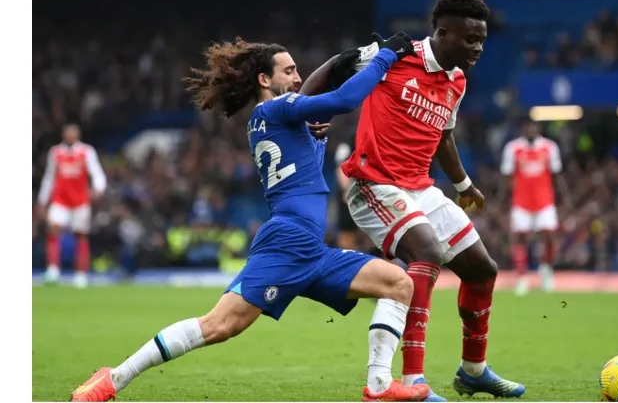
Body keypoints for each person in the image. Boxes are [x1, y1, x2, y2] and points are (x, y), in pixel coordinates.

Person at [70, 34, 431, 402]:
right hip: (288, 242)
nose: (295, 77)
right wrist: (385, 57)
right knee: (220, 325)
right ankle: (112, 379)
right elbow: (344, 99)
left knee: (398, 284)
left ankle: (380, 386)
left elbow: (322, 88)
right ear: (263, 79)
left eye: (297, 71)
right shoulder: (278, 109)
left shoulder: (279, 117)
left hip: (312, 250)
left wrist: (354, 57)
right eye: (288, 71)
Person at [301, 0, 525, 401]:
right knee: (425, 252)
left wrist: (462, 185)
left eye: (482, 41)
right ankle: (414, 380)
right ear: (442, 32)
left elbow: (443, 134)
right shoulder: (394, 55)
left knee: (483, 269)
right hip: (373, 184)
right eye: (469, 39)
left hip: (421, 189)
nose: (477, 49)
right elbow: (336, 66)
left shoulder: (456, 80)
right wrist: (306, 111)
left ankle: (473, 371)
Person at [501, 118, 570, 296]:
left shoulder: (549, 147)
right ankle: (522, 277)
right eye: (528, 126)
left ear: (538, 128)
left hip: (544, 200)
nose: (531, 129)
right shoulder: (512, 148)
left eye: (534, 127)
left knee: (549, 236)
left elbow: (556, 175)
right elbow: (507, 178)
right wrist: (502, 200)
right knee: (519, 238)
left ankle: (546, 270)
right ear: (523, 128)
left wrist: (565, 198)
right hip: (521, 201)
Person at [36, 123, 107, 289]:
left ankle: (80, 274)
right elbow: (49, 177)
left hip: (80, 200)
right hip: (60, 199)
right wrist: (42, 200)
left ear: (78, 135)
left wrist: (99, 188)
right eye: (67, 133)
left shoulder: (86, 151)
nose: (70, 136)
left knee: (80, 235)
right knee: (53, 231)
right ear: (63, 135)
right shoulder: (56, 153)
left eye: (73, 133)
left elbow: (96, 172)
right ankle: (53, 270)